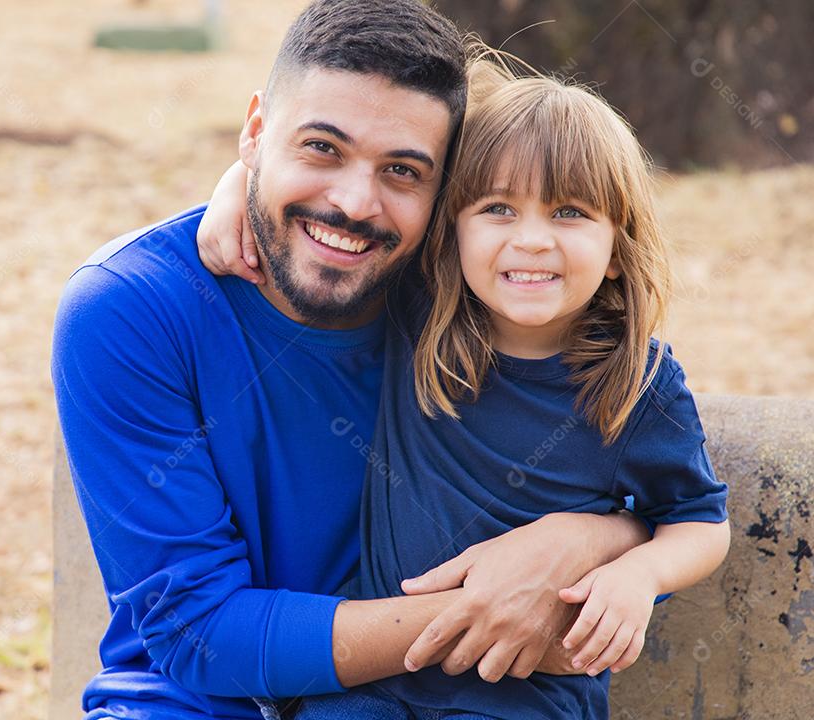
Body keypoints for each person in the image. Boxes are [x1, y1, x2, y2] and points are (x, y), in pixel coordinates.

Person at [52, 3, 654, 719]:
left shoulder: (463, 296)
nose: (352, 203)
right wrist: (481, 609)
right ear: (255, 132)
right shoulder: (132, 310)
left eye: (402, 170)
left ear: (448, 192)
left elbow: (642, 450)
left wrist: (587, 537)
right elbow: (198, 635)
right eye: (321, 148)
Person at [195, 51, 731, 719]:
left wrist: (636, 573)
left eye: (569, 213)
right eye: (499, 209)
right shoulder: (422, 315)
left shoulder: (635, 384)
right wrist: (236, 185)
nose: (532, 240)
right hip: (372, 689)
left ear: (618, 248)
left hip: (524, 697)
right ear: (452, 233)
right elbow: (328, 205)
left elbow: (699, 522)